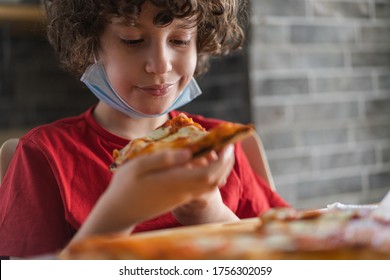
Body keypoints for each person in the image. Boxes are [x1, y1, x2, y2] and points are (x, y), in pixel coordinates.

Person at [0, 0, 289, 258]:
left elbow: (283, 258)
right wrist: (117, 216)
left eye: (180, 39)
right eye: (133, 40)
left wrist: (212, 213)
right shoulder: (44, 156)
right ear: (89, 45)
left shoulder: (223, 145)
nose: (161, 65)